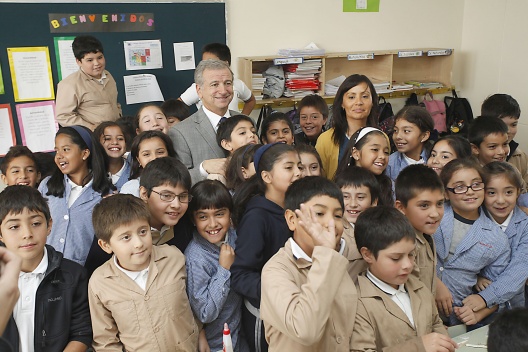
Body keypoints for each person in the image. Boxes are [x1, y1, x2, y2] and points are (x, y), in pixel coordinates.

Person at [88, 194, 199, 351]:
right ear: (106, 245)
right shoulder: (99, 283)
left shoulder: (174, 258)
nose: (139, 243)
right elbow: (105, 341)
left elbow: (195, 303)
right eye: (126, 237)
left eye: (142, 232)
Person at [261, 176, 357, 351]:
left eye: (337, 216)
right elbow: (305, 330)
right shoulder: (276, 270)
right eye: (319, 214)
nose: (331, 224)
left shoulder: (336, 261)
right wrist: (326, 254)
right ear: (291, 219)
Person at [351, 206, 457, 352]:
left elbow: (435, 324)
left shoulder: (419, 287)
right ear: (367, 255)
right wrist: (418, 347)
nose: (408, 265)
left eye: (411, 254)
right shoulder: (359, 303)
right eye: (396, 258)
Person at [0, 185, 92, 351]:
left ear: (49, 225)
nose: (27, 233)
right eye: (14, 227)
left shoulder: (73, 275)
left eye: (36, 223)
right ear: (0, 234)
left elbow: (82, 332)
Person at [230, 143, 301, 352]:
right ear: (267, 177)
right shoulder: (257, 217)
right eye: (289, 168)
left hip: (296, 311)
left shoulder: (298, 208)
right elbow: (241, 276)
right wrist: (280, 293)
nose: (298, 173)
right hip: (267, 318)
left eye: (299, 166)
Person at [434, 158, 510, 326]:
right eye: (460, 187)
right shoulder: (434, 215)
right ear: (446, 192)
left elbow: (495, 289)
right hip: (418, 305)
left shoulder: (496, 238)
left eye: (476, 184)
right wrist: (435, 283)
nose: (470, 191)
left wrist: (479, 312)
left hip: (457, 315)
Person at [185, 180, 248, 352]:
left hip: (240, 334)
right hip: (215, 344)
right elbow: (205, 312)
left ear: (230, 214)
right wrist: (223, 269)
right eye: (203, 217)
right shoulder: (196, 257)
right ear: (193, 219)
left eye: (219, 214)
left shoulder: (235, 237)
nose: (213, 224)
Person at [39, 126, 114, 266]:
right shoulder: (47, 185)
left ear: (85, 153)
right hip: (46, 269)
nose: (59, 156)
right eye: (57, 150)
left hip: (83, 272)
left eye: (66, 149)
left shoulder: (105, 194)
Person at [462, 162, 528, 313]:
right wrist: (476, 278)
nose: (500, 200)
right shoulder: (473, 219)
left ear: (518, 192)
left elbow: (520, 269)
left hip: (512, 308)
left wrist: (485, 297)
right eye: (491, 193)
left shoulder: (525, 226)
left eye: (508, 192)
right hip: (473, 309)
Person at [169, 59, 236, 185]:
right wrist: (203, 169)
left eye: (227, 83)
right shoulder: (180, 132)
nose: (223, 90)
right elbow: (177, 180)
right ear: (199, 90)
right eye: (214, 84)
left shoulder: (246, 122)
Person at [316, 74, 379, 180]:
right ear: (342, 103)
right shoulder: (325, 140)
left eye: (365, 96)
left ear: (372, 102)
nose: (358, 102)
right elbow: (320, 182)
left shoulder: (380, 138)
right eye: (351, 97)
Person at [395, 164, 445, 295]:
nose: (435, 213)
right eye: (424, 205)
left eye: (439, 203)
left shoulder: (425, 235)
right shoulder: (404, 246)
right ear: (401, 208)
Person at [55, 35, 121, 130]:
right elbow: (63, 116)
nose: (97, 63)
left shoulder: (108, 75)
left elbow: (114, 103)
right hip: (92, 137)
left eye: (100, 57)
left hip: (115, 132)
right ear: (79, 62)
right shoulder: (69, 84)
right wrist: (90, 128)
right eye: (90, 60)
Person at [179, 43, 256, 115]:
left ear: (225, 63)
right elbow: (178, 105)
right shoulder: (200, 86)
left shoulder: (238, 84)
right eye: (204, 63)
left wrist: (241, 118)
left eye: (211, 62)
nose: (223, 91)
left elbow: (251, 101)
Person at [333, 166, 379, 280]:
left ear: (374, 202)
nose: (353, 204)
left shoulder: (379, 229)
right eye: (345, 197)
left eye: (360, 197)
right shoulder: (334, 231)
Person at [139, 157, 193, 247]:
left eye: (183, 196)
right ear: (144, 194)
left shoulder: (186, 224)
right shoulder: (122, 227)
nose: (176, 205)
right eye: (166, 196)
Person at [335, 127, 393, 206]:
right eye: (375, 149)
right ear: (356, 153)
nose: (382, 156)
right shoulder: (341, 184)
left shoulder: (389, 186)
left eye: (386, 152)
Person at [481, 94, 528, 185]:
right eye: (502, 125)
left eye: (514, 124)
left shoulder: (520, 157)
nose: (509, 131)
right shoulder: (471, 154)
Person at [386, 105, 434, 182]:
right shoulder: (389, 165)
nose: (398, 136)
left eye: (406, 131)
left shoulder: (434, 160)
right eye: (395, 130)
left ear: (424, 136)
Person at [120, 131, 176, 197]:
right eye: (146, 154)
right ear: (138, 160)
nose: (154, 158)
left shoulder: (180, 181)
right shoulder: (131, 189)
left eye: (160, 152)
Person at [93, 121, 131, 192]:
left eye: (120, 139)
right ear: (97, 144)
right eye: (108, 139)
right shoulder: (90, 174)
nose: (115, 142)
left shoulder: (134, 172)